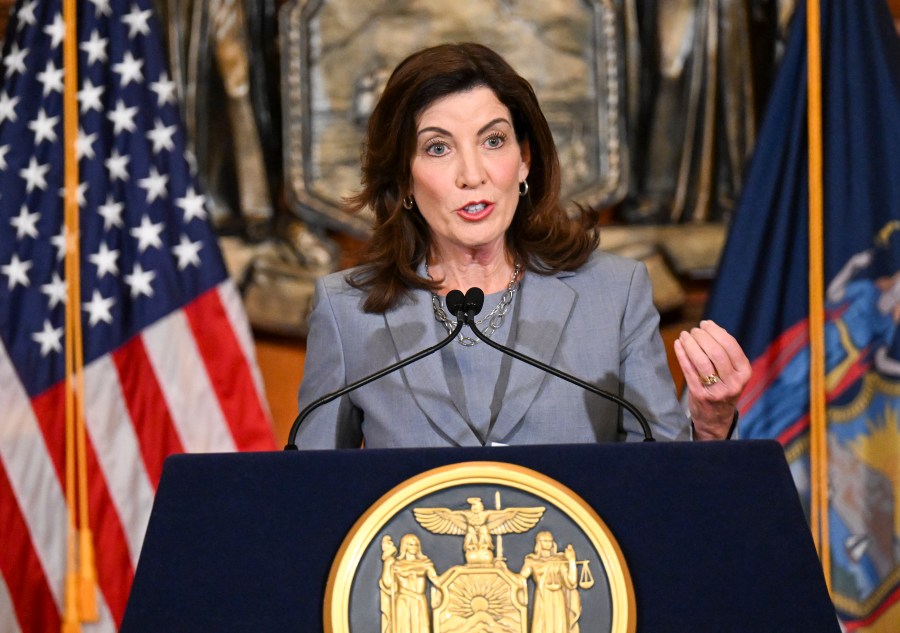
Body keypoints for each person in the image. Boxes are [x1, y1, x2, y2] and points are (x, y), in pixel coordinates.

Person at [294, 42, 750, 449]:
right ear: (403, 177)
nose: (472, 175)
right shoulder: (347, 311)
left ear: (525, 159)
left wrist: (710, 426)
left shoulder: (614, 294)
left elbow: (663, 483)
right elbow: (312, 497)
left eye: (493, 141)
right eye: (438, 148)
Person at [519, 531, 582, 633]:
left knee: (559, 624)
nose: (548, 543)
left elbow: (572, 581)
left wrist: (571, 561)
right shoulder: (532, 561)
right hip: (542, 596)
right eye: (545, 541)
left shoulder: (559, 560)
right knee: (541, 623)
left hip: (558, 597)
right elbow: (520, 578)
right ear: (539, 542)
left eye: (550, 541)